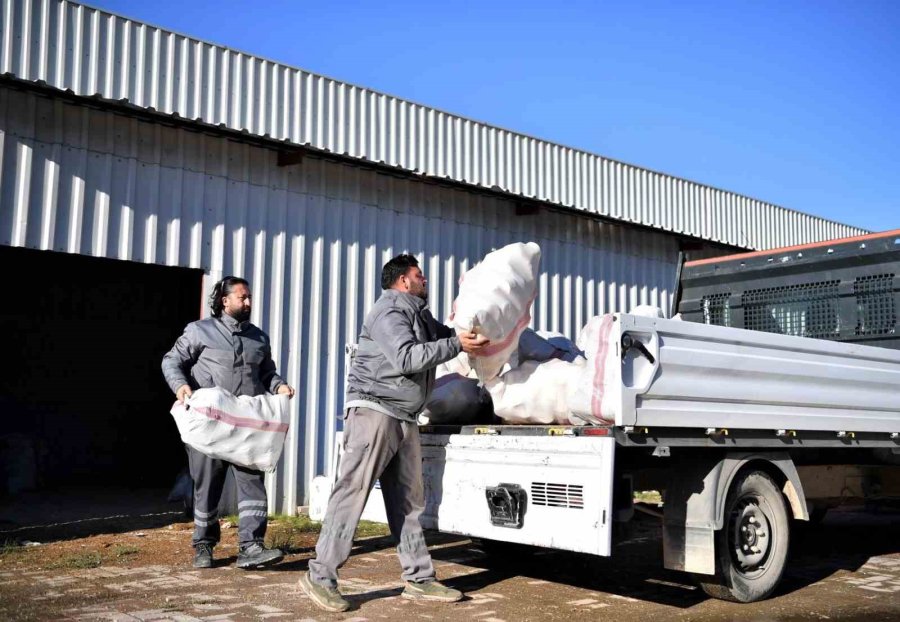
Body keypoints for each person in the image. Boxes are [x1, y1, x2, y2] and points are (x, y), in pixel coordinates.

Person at [299, 254, 490, 612]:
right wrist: (457, 345)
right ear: (403, 281)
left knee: (408, 504)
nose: (426, 281)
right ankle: (319, 576)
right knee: (350, 495)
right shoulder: (389, 312)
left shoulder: (418, 315)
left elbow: (447, 336)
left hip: (403, 416)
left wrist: (470, 334)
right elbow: (407, 358)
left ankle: (419, 578)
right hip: (374, 412)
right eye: (421, 276)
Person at [162, 276, 295, 569]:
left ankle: (251, 547)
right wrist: (180, 386)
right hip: (210, 427)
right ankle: (204, 546)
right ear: (225, 301)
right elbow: (171, 361)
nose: (248, 302)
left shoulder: (258, 337)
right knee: (206, 486)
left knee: (253, 485)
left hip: (246, 427)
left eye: (249, 297)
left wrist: (279, 386)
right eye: (242, 297)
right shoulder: (200, 331)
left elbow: (267, 373)